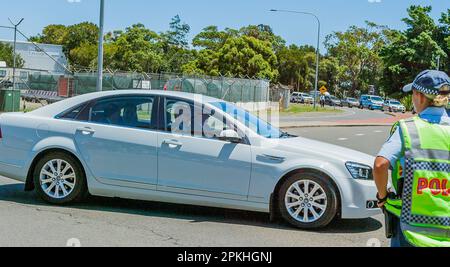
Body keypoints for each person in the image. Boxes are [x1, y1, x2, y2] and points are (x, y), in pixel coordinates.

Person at [374, 70, 450, 247]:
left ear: (419, 96)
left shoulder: (408, 128)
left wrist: (382, 196)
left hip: (409, 228)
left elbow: (380, 164)